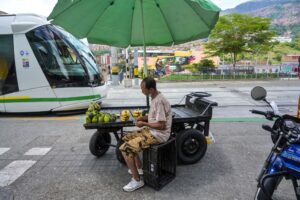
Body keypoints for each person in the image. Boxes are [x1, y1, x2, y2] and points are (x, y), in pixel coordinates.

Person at [119, 77, 172, 192]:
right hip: (153, 131)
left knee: (125, 149)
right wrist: (144, 118)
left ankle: (137, 180)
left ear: (151, 89)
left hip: (159, 134)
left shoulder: (159, 101)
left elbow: (161, 125)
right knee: (126, 138)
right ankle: (139, 168)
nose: (142, 91)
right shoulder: (154, 97)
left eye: (143, 89)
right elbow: (154, 116)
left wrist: (144, 123)